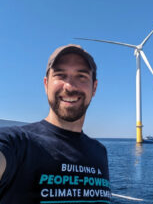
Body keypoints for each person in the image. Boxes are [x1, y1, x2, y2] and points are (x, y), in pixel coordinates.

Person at [0, 44, 111, 204]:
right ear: (46, 84)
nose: (70, 86)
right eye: (60, 75)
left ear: (94, 87)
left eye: (81, 76)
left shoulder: (100, 152)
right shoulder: (17, 142)